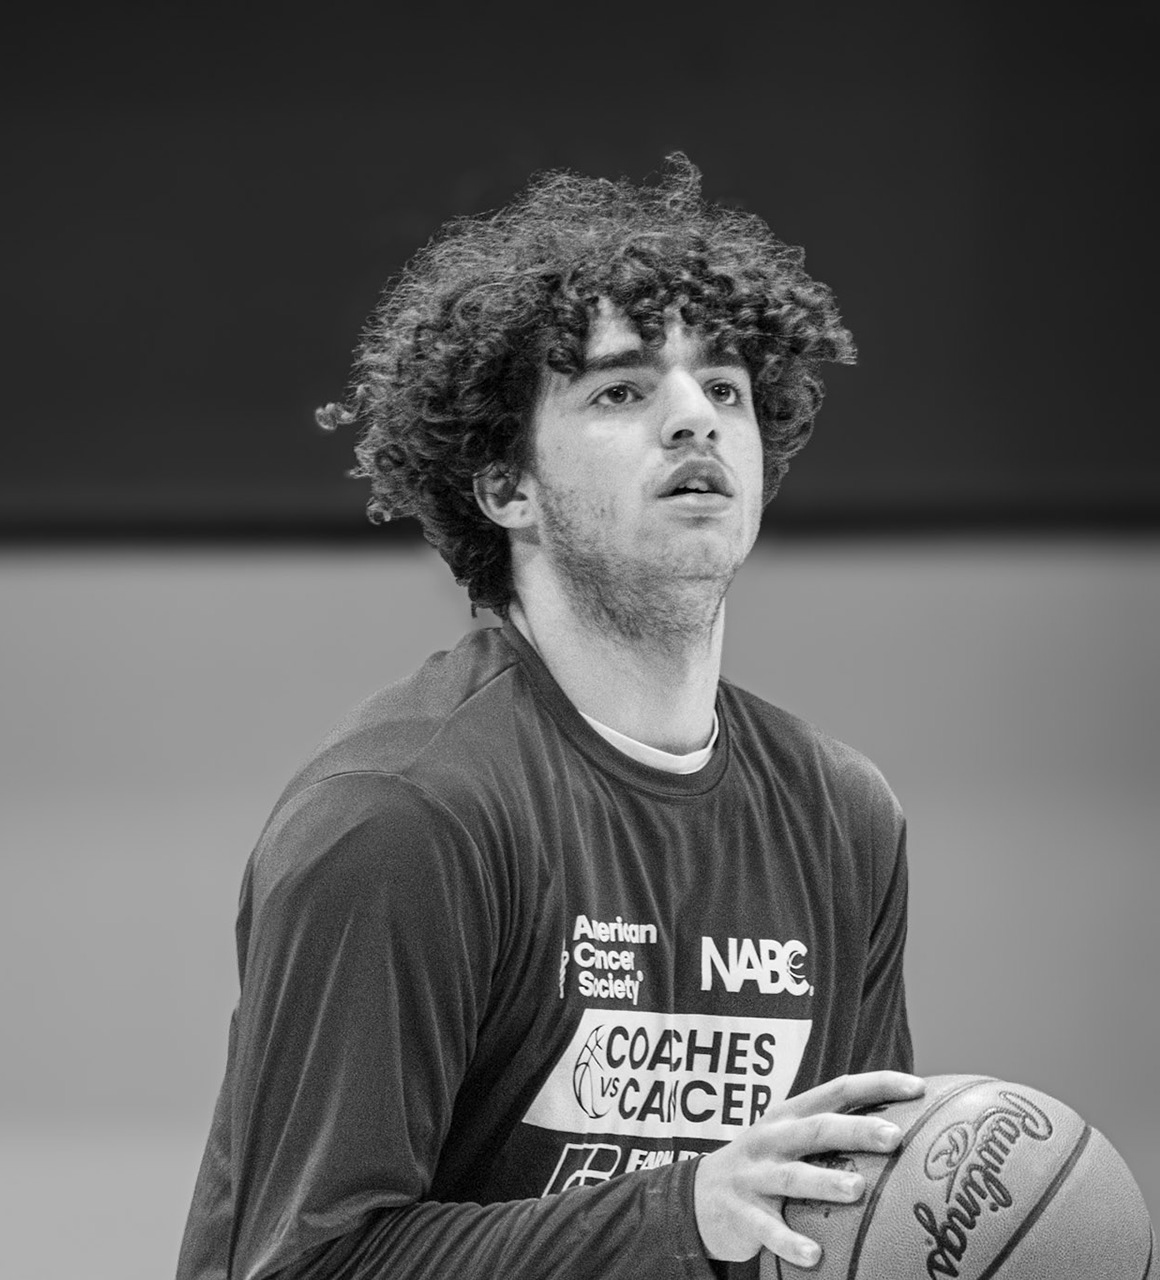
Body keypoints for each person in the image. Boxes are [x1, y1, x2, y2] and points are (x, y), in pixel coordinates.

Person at [176, 154, 920, 1280]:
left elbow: (851, 1218)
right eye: (621, 391)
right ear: (505, 487)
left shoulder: (840, 816)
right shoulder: (402, 818)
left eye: (724, 388)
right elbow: (310, 1262)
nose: (693, 419)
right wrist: (682, 1213)